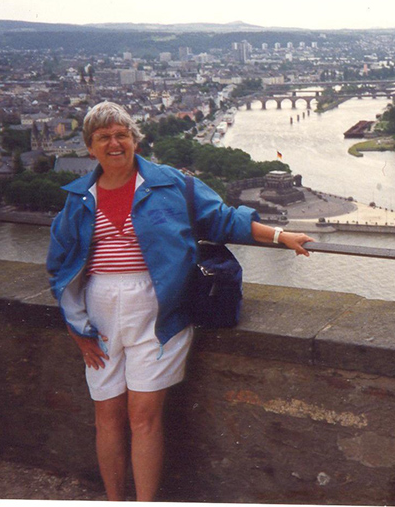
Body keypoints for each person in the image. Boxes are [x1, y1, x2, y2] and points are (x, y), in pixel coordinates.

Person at [46, 101, 314, 501]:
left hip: (161, 310)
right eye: (104, 137)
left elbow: (223, 220)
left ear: (135, 140)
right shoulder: (78, 199)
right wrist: (76, 328)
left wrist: (280, 236)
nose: (114, 143)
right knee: (107, 416)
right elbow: (59, 267)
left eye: (122, 134)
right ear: (89, 148)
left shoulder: (171, 183)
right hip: (97, 314)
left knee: (144, 419)